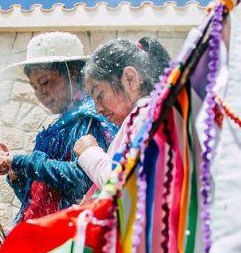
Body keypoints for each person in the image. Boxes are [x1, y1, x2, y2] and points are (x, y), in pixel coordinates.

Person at [0, 32, 115, 222]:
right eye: (34, 86)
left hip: (73, 240)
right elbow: (36, 201)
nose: (40, 93)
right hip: (47, 239)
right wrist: (15, 173)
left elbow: (84, 184)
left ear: (71, 72)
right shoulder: (56, 130)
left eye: (45, 82)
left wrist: (20, 161)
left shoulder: (90, 120)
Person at [73, 37, 171, 189]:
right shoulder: (148, 114)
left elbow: (124, 183)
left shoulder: (146, 115)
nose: (98, 109)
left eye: (100, 95)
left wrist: (90, 153)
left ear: (130, 79)